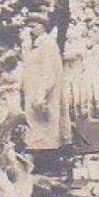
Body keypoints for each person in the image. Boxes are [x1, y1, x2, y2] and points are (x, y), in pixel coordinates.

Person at [22, 17, 70, 174]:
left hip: (44, 95)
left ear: (43, 27)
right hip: (33, 94)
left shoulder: (48, 45)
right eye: (28, 27)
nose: (30, 30)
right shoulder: (32, 46)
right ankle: (41, 167)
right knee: (36, 132)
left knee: (46, 132)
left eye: (33, 26)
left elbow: (49, 73)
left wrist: (42, 94)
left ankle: (49, 167)